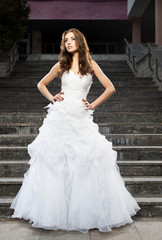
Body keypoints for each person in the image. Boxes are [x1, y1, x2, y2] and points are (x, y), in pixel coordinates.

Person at [10, 28, 140, 234]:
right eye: (65, 40)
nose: (68, 43)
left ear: (79, 40)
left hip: (80, 118)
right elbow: (41, 84)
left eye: (72, 39)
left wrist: (92, 105)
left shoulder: (90, 64)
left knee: (85, 161)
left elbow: (110, 88)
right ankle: (55, 212)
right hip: (60, 117)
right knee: (56, 162)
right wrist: (53, 97)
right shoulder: (61, 65)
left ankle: (85, 212)